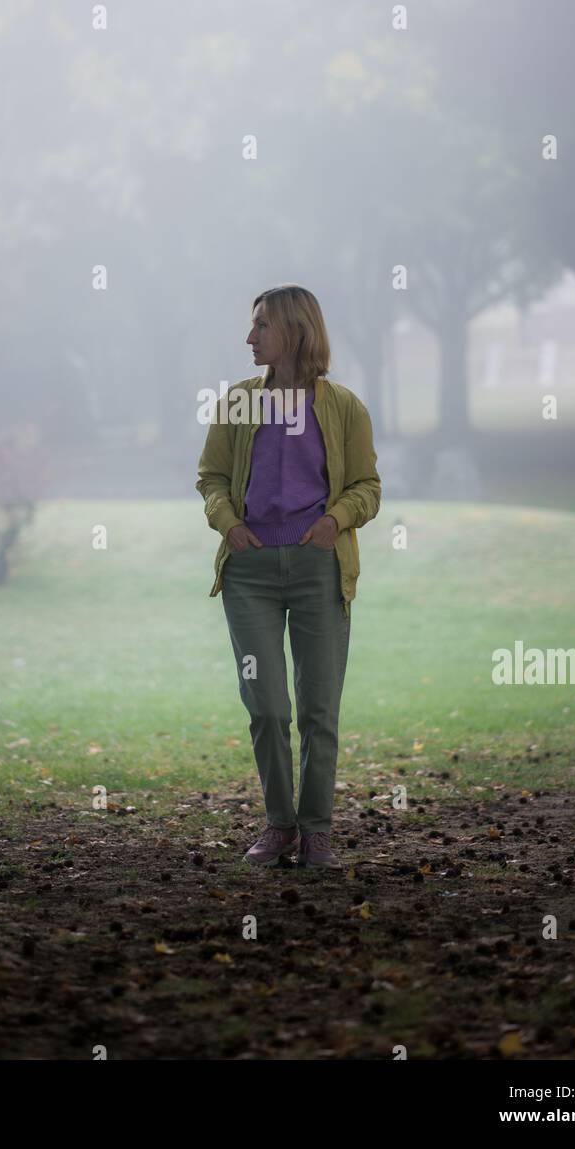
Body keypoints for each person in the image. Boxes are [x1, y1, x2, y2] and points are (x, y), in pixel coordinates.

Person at [195, 284, 382, 869]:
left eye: (261, 326)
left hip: (318, 568)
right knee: (269, 706)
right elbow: (211, 477)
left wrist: (335, 521)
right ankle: (279, 824)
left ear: (295, 330)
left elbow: (368, 488)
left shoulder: (344, 406)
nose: (249, 338)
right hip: (249, 572)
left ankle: (317, 833)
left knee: (319, 709)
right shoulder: (239, 402)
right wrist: (228, 526)